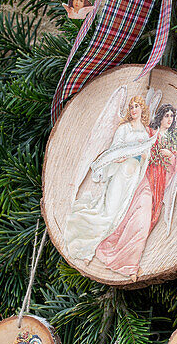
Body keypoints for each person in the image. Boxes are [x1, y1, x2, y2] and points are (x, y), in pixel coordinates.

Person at [64, 95, 155, 266]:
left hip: (133, 176)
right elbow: (115, 150)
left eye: (137, 106)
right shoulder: (124, 129)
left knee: (119, 214)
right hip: (120, 173)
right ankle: (86, 246)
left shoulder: (145, 132)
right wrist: (119, 157)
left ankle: (95, 249)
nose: (134, 110)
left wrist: (143, 157)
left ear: (142, 108)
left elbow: (146, 157)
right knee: (109, 211)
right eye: (131, 107)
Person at [94, 103, 177, 278]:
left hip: (159, 183)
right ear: (160, 117)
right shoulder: (148, 132)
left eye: (172, 116)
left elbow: (174, 163)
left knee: (148, 221)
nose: (169, 119)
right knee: (140, 220)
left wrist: (170, 155)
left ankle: (124, 256)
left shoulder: (171, 140)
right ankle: (128, 266)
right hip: (145, 179)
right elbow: (134, 147)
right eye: (166, 115)